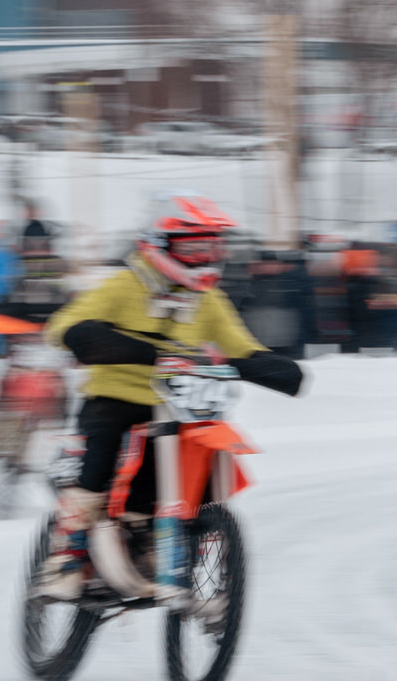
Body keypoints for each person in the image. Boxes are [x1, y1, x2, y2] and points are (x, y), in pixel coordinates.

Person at [34, 195, 305, 599]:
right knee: (100, 455)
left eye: (212, 248)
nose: (204, 258)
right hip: (116, 398)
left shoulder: (209, 300)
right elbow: (63, 328)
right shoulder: (125, 285)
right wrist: (112, 343)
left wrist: (270, 367)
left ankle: (158, 536)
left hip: (180, 404)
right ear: (159, 246)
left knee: (199, 460)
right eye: (193, 248)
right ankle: (66, 558)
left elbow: (241, 347)